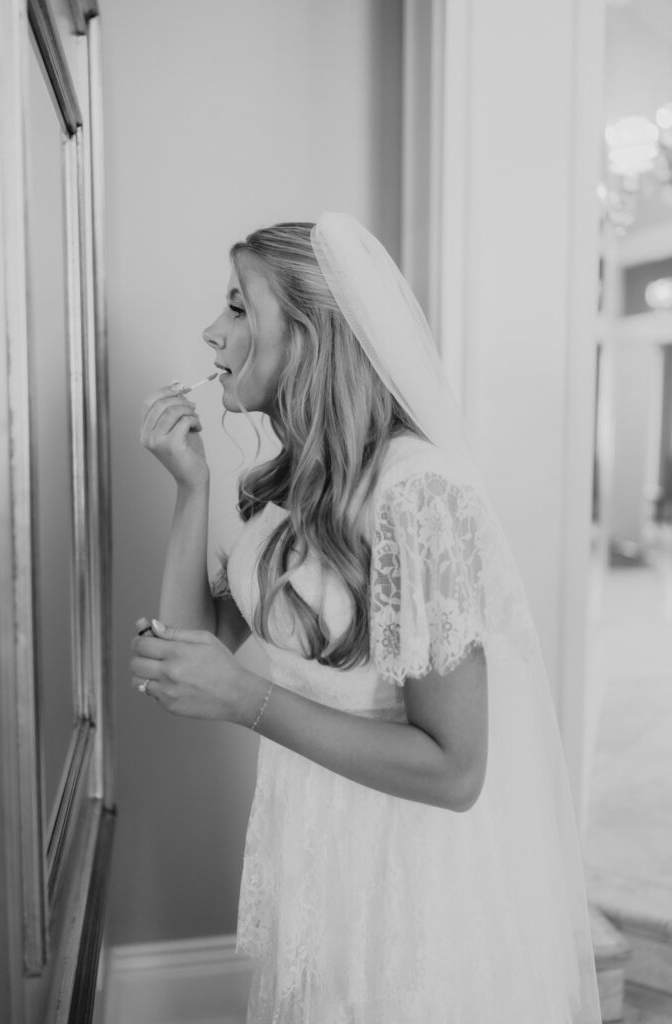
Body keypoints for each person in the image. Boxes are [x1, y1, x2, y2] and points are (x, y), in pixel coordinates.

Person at [130, 214, 601, 1023]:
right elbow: (189, 652)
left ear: (308, 340)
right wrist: (192, 486)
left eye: (239, 307)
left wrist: (246, 701)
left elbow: (456, 772)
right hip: (315, 844)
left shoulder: (417, 495)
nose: (212, 332)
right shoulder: (286, 488)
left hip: (408, 871)